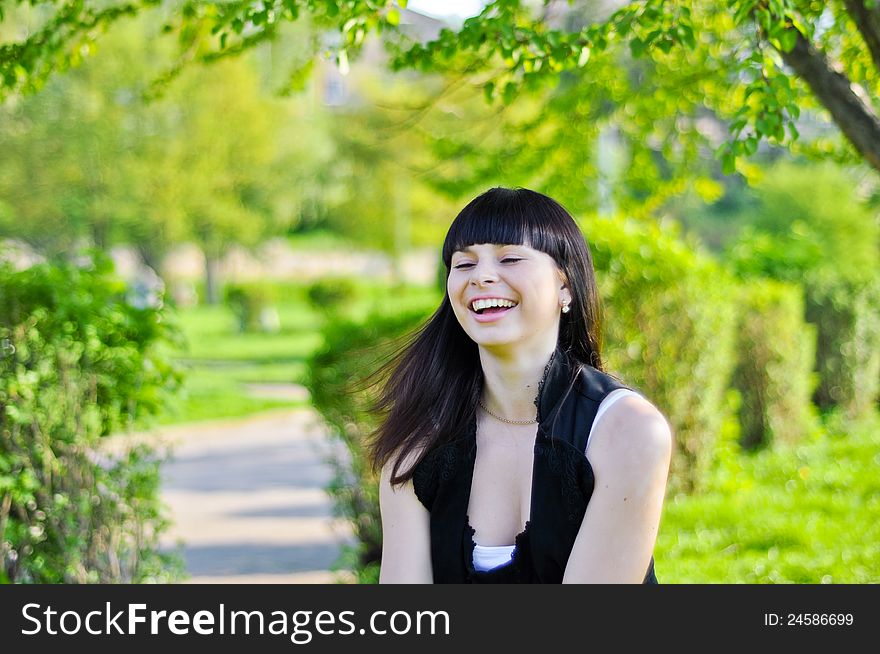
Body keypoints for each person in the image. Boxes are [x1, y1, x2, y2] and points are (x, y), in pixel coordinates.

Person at [366, 187, 672, 583]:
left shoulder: (627, 431)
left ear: (566, 285)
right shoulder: (417, 446)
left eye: (509, 258)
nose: (482, 277)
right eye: (464, 264)